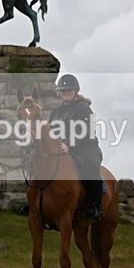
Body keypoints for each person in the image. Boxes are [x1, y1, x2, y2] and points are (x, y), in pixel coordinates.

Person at [48, 74, 104, 221]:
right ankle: (33, 202)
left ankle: (96, 205)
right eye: (63, 90)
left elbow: (85, 132)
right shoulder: (55, 112)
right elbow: (49, 132)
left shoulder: (83, 108)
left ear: (76, 91)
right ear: (59, 93)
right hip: (61, 147)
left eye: (69, 90)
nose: (66, 92)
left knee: (91, 167)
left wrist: (69, 144)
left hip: (86, 146)